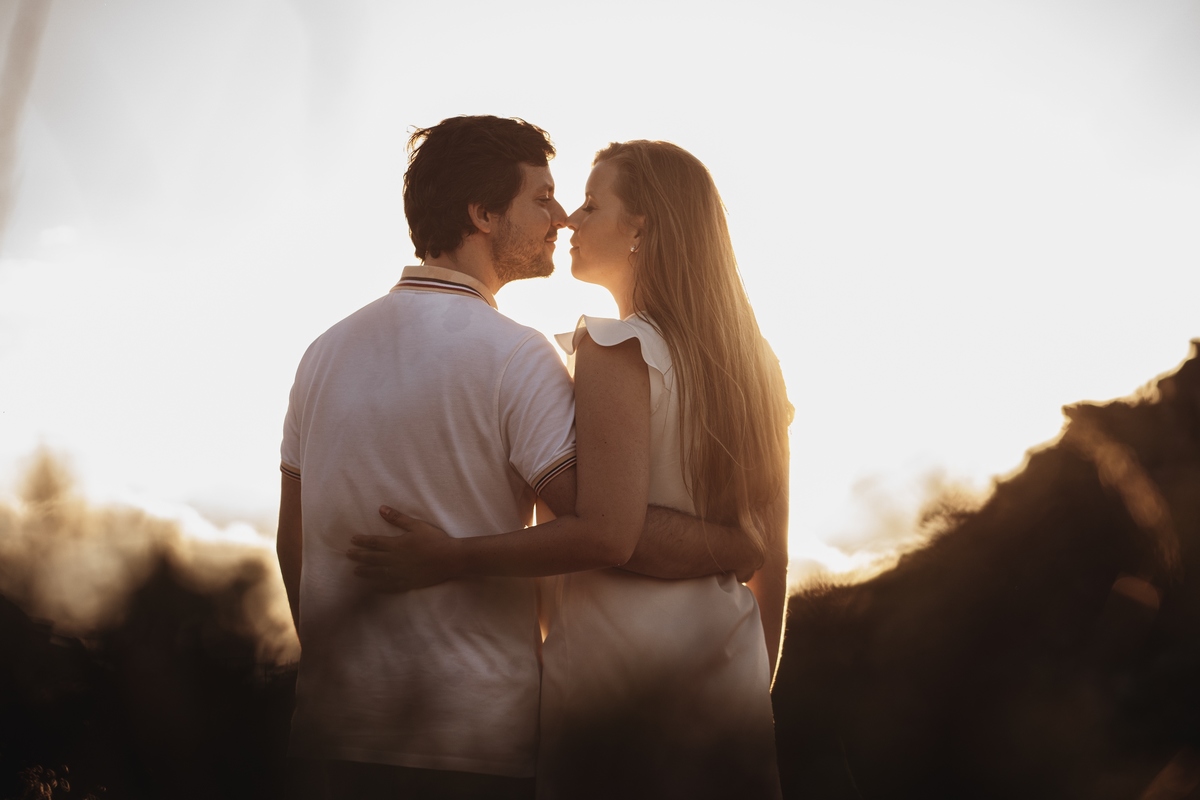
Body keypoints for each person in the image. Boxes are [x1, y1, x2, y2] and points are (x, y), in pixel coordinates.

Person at [276, 117, 762, 800]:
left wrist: (343, 669)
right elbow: (604, 529)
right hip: (475, 740)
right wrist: (733, 542)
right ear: (482, 214)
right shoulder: (517, 355)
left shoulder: (322, 354)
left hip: (330, 735)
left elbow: (291, 543)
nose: (560, 218)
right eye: (542, 198)